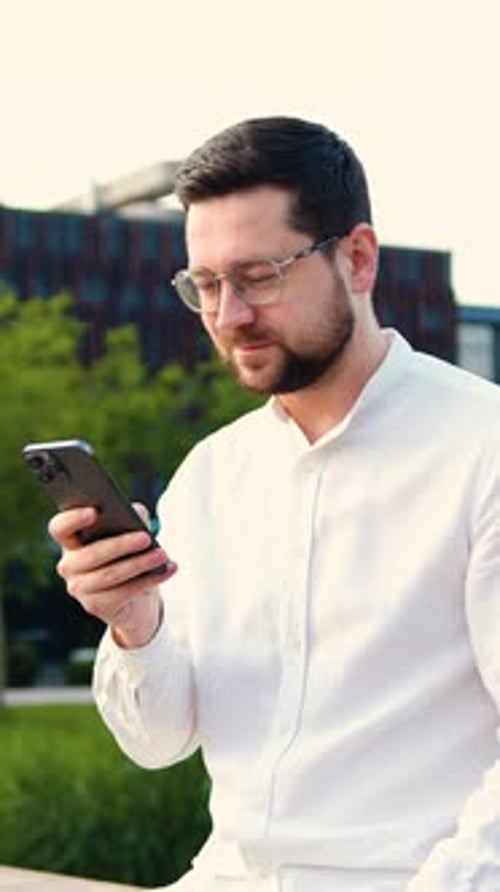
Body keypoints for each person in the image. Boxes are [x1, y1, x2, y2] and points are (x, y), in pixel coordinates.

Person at [49, 116, 500, 892]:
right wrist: (132, 624)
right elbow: (158, 743)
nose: (228, 318)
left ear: (357, 259)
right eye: (207, 285)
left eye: (258, 277)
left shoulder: (482, 449)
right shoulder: (209, 476)